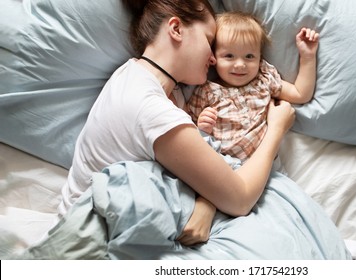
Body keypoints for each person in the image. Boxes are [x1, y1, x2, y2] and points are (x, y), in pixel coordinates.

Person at [58, 0, 295, 246]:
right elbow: (241, 198)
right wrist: (276, 128)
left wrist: (207, 202)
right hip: (90, 240)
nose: (214, 59)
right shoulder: (151, 109)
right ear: (176, 29)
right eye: (208, 40)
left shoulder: (135, 76)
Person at [187, 11, 319, 163]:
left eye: (249, 56)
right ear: (213, 57)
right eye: (229, 56)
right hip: (223, 164)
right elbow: (189, 133)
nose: (240, 64)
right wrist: (203, 128)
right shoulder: (206, 91)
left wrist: (308, 57)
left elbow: (301, 94)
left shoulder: (263, 80)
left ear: (260, 58)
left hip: (266, 163)